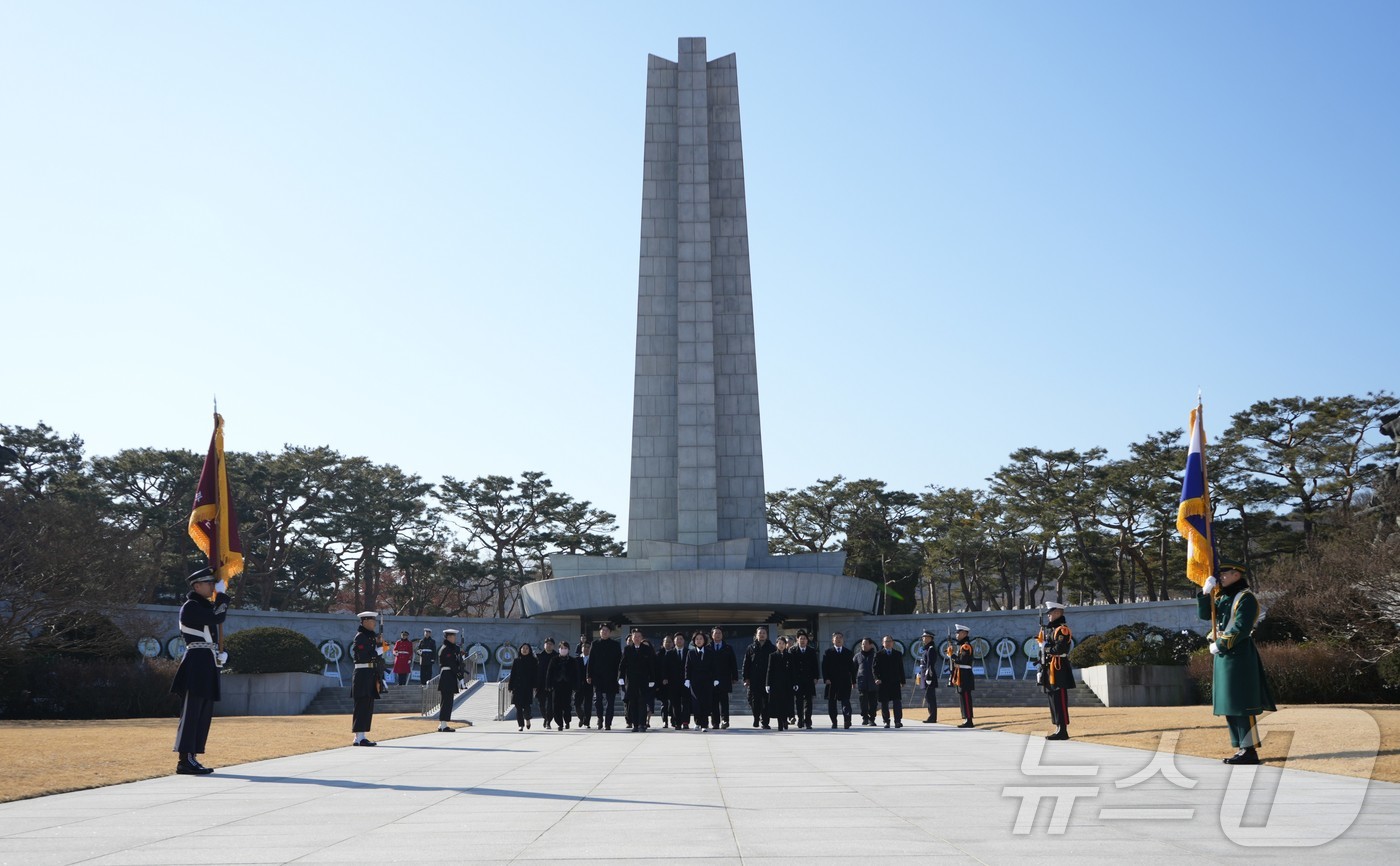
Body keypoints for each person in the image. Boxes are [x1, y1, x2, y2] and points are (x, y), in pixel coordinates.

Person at [1199, 561, 1276, 764]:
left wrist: (1221, 645)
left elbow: (1241, 628)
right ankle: (1241, 747)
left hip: (1239, 654)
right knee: (1230, 704)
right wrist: (1205, 593)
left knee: (1243, 704)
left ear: (1236, 575)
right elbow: (1205, 614)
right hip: (1225, 656)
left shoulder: (1246, 598)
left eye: (1224, 574)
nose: (1221, 578)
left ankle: (1249, 750)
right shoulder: (1224, 597)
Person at [171, 566, 229, 775]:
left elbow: (212, 632)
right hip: (196, 663)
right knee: (192, 713)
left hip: (207, 661)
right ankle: (184, 759)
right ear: (197, 586)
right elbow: (216, 618)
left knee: (203, 713)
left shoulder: (205, 606)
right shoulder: (191, 606)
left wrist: (224, 654)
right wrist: (222, 597)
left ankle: (192, 757)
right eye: (209, 583)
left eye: (214, 584)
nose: (212, 586)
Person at [1039, 601, 1076, 740]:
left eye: (1051, 613)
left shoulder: (1062, 630)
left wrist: (1046, 648)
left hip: (1059, 667)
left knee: (1059, 698)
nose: (1049, 616)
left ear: (1058, 613)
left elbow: (1059, 649)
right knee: (1052, 698)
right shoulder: (1052, 631)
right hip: (1051, 667)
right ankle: (1057, 727)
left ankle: (1063, 730)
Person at [350, 611, 384, 746]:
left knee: (368, 706)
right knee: (361, 705)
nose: (374, 623)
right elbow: (363, 656)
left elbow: (375, 655)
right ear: (364, 622)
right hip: (362, 673)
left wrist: (380, 645)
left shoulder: (369, 637)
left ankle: (362, 736)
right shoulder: (360, 637)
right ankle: (358, 737)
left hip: (370, 673)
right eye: (372, 621)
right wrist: (378, 651)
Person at [619, 628, 655, 732]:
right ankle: (635, 724)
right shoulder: (627, 649)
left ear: (642, 637)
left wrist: (652, 678)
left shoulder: (647, 649)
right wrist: (621, 677)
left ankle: (642, 724)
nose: (637, 638)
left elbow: (651, 665)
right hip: (631, 680)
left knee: (642, 702)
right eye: (635, 636)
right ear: (632, 638)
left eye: (639, 636)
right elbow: (622, 665)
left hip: (643, 680)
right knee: (633, 703)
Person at [588, 623, 622, 730]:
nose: (604, 632)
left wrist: (619, 676)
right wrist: (589, 675)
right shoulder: (595, 644)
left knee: (610, 701)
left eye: (606, 630)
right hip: (598, 677)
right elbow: (591, 661)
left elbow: (619, 662)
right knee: (598, 700)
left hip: (611, 677)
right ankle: (600, 719)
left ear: (610, 632)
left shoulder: (615, 645)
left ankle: (608, 722)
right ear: (600, 632)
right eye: (602, 630)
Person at [706, 627, 739, 729]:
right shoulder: (707, 648)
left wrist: (734, 677)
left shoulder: (728, 648)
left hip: (724, 678)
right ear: (712, 635)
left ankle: (725, 720)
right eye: (716, 633)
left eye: (720, 633)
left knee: (724, 701)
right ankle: (715, 722)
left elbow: (733, 663)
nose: (718, 635)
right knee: (713, 702)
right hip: (711, 679)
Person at [742, 626, 776, 729]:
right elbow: (746, 664)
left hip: (767, 679)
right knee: (754, 700)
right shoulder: (751, 647)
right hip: (754, 678)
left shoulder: (772, 647)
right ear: (756, 635)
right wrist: (746, 678)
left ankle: (765, 722)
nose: (762, 635)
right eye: (760, 633)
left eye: (764, 633)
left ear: (767, 635)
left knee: (766, 701)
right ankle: (756, 717)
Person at [822, 631, 856, 729]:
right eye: (836, 638)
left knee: (846, 701)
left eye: (840, 637)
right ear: (833, 640)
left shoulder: (848, 652)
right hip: (832, 682)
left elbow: (852, 668)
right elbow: (824, 667)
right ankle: (834, 722)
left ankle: (847, 720)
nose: (838, 639)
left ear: (843, 640)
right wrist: (826, 679)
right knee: (832, 703)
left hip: (845, 681)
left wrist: (853, 681)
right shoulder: (828, 652)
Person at [683, 631, 715, 731]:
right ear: (694, 641)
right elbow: (687, 667)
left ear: (704, 640)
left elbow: (714, 667)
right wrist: (687, 679)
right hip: (695, 681)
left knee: (706, 702)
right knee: (696, 702)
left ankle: (704, 724)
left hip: (707, 681)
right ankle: (697, 722)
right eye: (697, 639)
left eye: (701, 639)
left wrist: (715, 678)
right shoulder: (691, 652)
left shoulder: (710, 652)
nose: (699, 641)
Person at [946, 625, 975, 728]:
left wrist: (952, 655)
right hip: (961, 675)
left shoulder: (966, 646)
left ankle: (969, 720)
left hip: (965, 675)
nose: (956, 635)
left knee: (966, 697)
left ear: (964, 633)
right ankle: (966, 718)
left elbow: (962, 661)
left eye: (958, 633)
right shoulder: (962, 646)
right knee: (962, 697)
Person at [873, 634, 905, 728]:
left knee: (897, 702)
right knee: (884, 703)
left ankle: (898, 721)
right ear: (883, 643)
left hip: (895, 681)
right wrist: (876, 678)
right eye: (886, 641)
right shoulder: (878, 654)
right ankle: (886, 721)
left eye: (889, 641)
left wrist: (902, 681)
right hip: (883, 682)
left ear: (893, 643)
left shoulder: (897, 654)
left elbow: (901, 668)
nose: (888, 643)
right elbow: (874, 668)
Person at [789, 631, 819, 729]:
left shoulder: (811, 651)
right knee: (798, 701)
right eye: (800, 638)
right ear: (797, 640)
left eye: (804, 639)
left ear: (807, 640)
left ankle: (808, 720)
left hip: (809, 679)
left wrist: (816, 677)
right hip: (797, 680)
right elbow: (790, 666)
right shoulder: (792, 650)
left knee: (809, 701)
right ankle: (800, 719)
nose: (802, 640)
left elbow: (815, 665)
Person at [765, 636, 795, 730]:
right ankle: (780, 724)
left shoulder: (790, 656)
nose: (781, 645)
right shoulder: (772, 655)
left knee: (786, 703)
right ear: (777, 645)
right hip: (776, 684)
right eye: (779, 643)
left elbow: (793, 671)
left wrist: (795, 683)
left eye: (783, 644)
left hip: (787, 684)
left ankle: (785, 720)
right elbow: (769, 670)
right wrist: (767, 684)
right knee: (778, 704)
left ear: (786, 645)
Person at [436, 629, 463, 732]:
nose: (454, 638)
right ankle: (443, 724)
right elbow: (451, 664)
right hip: (447, 676)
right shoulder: (446, 649)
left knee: (447, 701)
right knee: (446, 701)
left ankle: (443, 724)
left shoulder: (449, 648)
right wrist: (459, 676)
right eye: (452, 637)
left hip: (449, 676)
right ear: (448, 637)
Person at [665, 631, 691, 729]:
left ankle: (685, 722)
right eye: (677, 639)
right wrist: (665, 678)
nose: (679, 641)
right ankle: (677, 722)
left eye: (681, 639)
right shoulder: (670, 653)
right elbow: (665, 668)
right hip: (673, 682)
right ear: (674, 641)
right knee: (675, 704)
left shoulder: (689, 652)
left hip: (686, 682)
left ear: (684, 641)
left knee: (686, 703)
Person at [510, 643, 537, 730]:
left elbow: (535, 675)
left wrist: (535, 686)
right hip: (517, 687)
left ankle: (528, 719)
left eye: (526, 648)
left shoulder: (533, 660)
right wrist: (510, 686)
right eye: (523, 648)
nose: (524, 650)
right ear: (520, 650)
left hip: (527, 687)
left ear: (529, 650)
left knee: (526, 706)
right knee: (518, 707)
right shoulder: (516, 660)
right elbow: (513, 674)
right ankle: (520, 725)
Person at [854, 636, 879, 726]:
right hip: (862, 682)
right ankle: (865, 717)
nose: (864, 646)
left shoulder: (876, 655)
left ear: (871, 645)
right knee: (863, 702)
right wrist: (853, 681)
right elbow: (853, 669)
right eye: (863, 644)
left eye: (866, 644)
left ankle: (872, 719)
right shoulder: (857, 656)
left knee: (873, 703)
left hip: (873, 683)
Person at [916, 630, 939, 723]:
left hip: (928, 676)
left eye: (925, 637)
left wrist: (928, 677)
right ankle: (931, 715)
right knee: (928, 697)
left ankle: (932, 717)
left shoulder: (931, 649)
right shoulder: (926, 649)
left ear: (930, 638)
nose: (923, 638)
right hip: (924, 674)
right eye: (923, 637)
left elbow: (930, 664)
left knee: (930, 697)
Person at [536, 637, 557, 729]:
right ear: (544, 645)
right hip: (541, 683)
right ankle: (546, 718)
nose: (548, 645)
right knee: (541, 703)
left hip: (553, 684)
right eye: (547, 644)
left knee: (551, 704)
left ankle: (548, 721)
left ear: (553, 646)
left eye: (550, 644)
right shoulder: (539, 656)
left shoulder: (557, 656)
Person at [575, 642, 594, 728]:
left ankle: (587, 721)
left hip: (589, 685)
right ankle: (582, 717)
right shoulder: (576, 660)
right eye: (584, 647)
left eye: (588, 647)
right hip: (578, 685)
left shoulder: (593, 660)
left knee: (588, 704)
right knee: (577, 703)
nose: (586, 648)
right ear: (581, 648)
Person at [657, 635, 675, 727]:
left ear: (673, 643)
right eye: (666, 642)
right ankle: (665, 721)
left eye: (669, 642)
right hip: (662, 683)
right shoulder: (659, 654)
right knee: (664, 703)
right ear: (663, 643)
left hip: (673, 682)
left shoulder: (675, 653)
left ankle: (673, 719)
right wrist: (662, 679)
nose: (667, 643)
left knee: (672, 703)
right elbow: (657, 669)